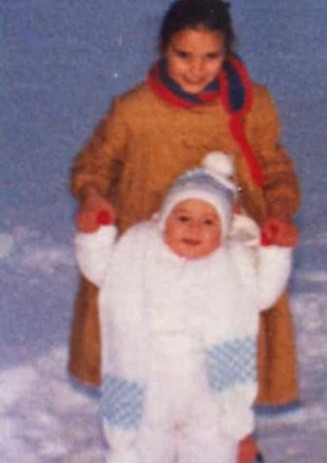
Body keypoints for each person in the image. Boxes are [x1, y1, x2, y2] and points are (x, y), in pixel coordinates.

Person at [69, 0, 300, 415]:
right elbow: (93, 164)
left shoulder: (251, 104)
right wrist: (93, 196)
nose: (196, 69)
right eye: (183, 55)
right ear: (163, 49)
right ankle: (147, 435)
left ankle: (233, 438)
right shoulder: (134, 109)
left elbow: (275, 167)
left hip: (229, 245)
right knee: (156, 346)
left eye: (211, 57)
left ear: (228, 52)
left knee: (225, 342)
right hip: (150, 249)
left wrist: (279, 211)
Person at [75, 152, 286, 463]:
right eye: (183, 218)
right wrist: (95, 235)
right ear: (163, 219)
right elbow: (103, 271)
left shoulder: (233, 262)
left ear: (225, 229)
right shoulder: (139, 247)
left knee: (212, 446)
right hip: (146, 381)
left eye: (208, 221)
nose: (193, 229)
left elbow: (263, 294)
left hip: (209, 384)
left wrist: (275, 252)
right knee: (140, 448)